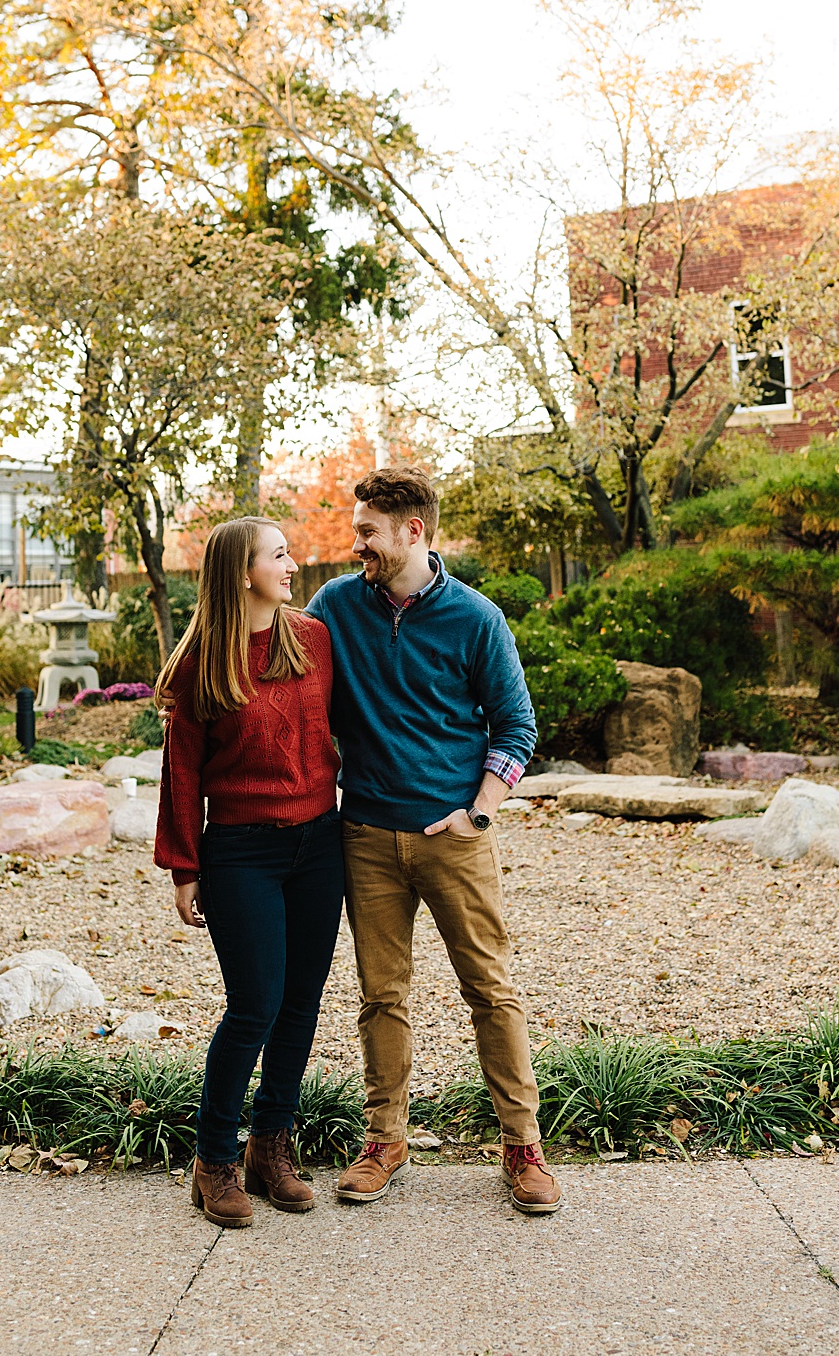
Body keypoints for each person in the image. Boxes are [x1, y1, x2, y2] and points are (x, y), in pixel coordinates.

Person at [305, 465, 562, 1214]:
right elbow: (282, 675)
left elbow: (517, 728)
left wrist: (477, 812)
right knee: (381, 996)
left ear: (412, 532)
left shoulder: (477, 619)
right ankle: (385, 1140)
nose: (357, 547)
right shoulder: (335, 607)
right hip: (366, 835)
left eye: (366, 534)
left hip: (454, 835)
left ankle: (522, 1146)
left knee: (491, 990)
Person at [154, 517, 343, 1229]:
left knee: (301, 1002)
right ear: (242, 573)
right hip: (241, 852)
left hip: (319, 845)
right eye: (279, 555)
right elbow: (181, 772)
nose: (292, 564)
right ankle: (213, 1161)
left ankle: (271, 1149)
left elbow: (348, 727)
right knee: (254, 1005)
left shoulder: (314, 641)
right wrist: (183, 866)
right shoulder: (200, 661)